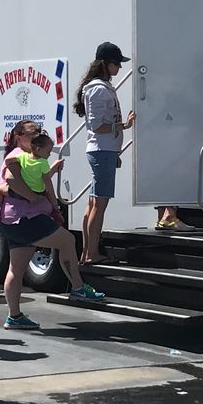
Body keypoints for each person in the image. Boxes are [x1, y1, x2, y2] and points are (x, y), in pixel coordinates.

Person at [0, 121, 103, 331]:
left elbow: (34, 180)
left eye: (40, 131)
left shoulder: (31, 158)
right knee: (68, 240)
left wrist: (50, 172)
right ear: (19, 136)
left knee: (16, 268)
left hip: (13, 220)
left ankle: (14, 316)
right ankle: (78, 287)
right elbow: (10, 181)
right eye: (33, 132)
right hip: (25, 217)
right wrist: (33, 198)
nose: (38, 135)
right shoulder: (16, 155)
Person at [76, 42, 135, 264]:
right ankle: (92, 253)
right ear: (106, 64)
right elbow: (96, 124)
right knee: (99, 204)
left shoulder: (97, 87)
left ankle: (86, 252)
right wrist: (123, 126)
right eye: (116, 64)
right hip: (102, 150)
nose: (119, 68)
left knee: (93, 203)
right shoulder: (99, 89)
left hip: (104, 150)